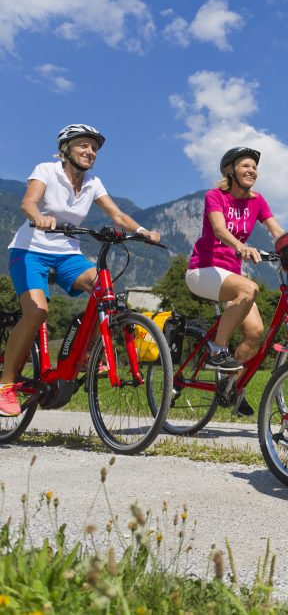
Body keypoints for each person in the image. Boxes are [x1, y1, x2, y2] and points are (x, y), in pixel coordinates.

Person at [1, 124, 161, 417]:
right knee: (37, 313)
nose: (90, 152)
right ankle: (6, 384)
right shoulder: (46, 170)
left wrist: (141, 231)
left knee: (104, 287)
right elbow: (28, 202)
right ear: (67, 149)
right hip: (30, 252)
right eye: (84, 146)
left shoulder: (93, 182)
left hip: (67, 255)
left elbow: (116, 213)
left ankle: (86, 354)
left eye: (94, 148)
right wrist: (40, 218)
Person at [184, 146, 285, 416]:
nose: (251, 170)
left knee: (254, 333)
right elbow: (218, 228)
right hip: (202, 270)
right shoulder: (215, 196)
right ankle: (217, 349)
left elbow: (276, 230)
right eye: (245, 166)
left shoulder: (258, 201)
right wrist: (240, 246)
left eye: (254, 166)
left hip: (231, 277)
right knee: (249, 287)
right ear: (231, 171)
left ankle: (229, 386)